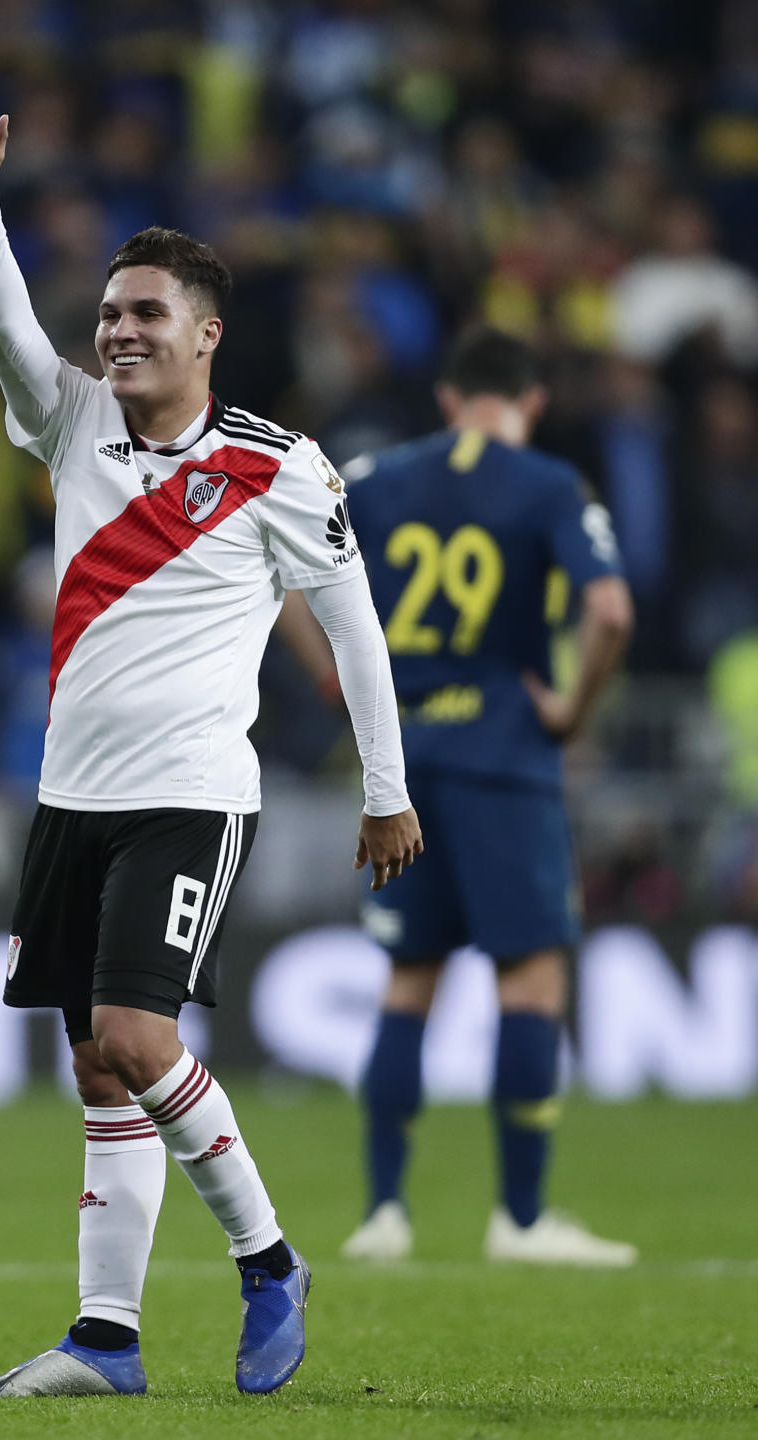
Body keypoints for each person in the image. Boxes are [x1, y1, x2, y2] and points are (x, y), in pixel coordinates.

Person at [0, 77, 421, 1399]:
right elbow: (4, 323)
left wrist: (386, 789)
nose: (116, 330)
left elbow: (354, 629)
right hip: (70, 795)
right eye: (110, 314)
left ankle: (267, 1262)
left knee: (139, 1040)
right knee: (94, 1058)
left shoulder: (281, 467)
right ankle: (104, 1338)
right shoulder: (69, 422)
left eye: (144, 314)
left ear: (203, 333)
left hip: (191, 795)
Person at [336, 326, 637, 1265]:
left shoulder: (377, 476)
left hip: (405, 762)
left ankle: (384, 1213)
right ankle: (522, 1217)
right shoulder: (549, 484)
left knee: (408, 981)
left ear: (446, 397)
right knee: (532, 980)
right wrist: (572, 712)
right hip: (507, 758)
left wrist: (342, 693)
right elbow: (612, 611)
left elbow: (296, 591)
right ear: (533, 401)